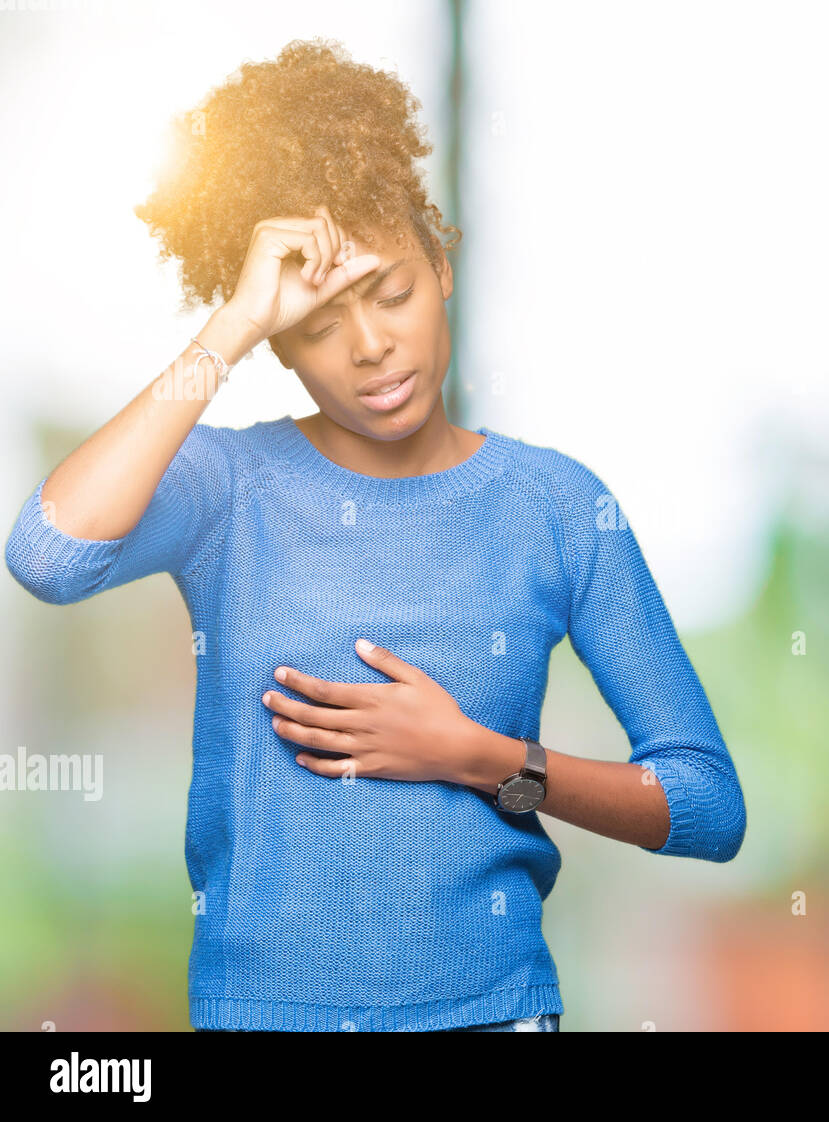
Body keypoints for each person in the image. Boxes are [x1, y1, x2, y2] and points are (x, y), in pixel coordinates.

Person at [4, 38, 745, 1032]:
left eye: (391, 292)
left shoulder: (557, 506)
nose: (369, 347)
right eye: (317, 322)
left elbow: (706, 807)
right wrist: (230, 323)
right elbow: (49, 555)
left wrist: (484, 758)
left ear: (440, 266)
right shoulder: (229, 488)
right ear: (278, 340)